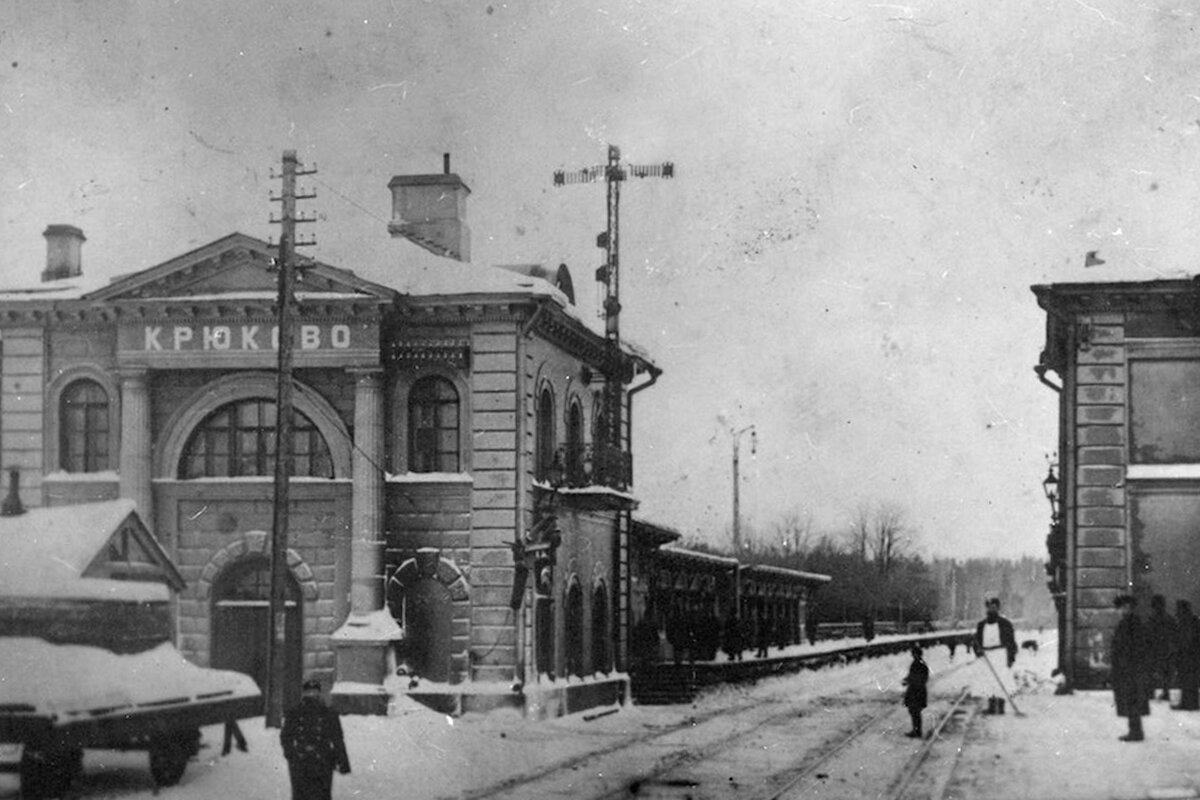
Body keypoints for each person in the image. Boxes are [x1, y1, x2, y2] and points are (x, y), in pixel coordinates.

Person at [281, 679, 351, 800]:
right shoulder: (295, 713)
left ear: (318, 694)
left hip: (318, 761)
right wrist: (291, 754)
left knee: (317, 795)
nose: (311, 696)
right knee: (304, 795)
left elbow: (337, 738)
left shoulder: (328, 713)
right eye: (309, 693)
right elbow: (286, 736)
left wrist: (342, 761)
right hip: (306, 760)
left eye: (314, 693)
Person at [1111, 594, 1150, 742]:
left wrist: (1125, 664)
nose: (1122, 611)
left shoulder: (1131, 623)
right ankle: (1134, 730)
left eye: (1125, 608)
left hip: (1130, 669)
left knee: (1132, 699)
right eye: (1121, 608)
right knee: (1130, 699)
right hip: (1128, 668)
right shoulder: (1129, 622)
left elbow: (1134, 647)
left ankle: (1136, 732)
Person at [973, 597, 1017, 714]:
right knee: (989, 681)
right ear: (986, 608)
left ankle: (1001, 707)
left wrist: (1011, 658)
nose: (992, 609)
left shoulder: (1005, 624)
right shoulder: (981, 625)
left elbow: (1011, 642)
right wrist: (978, 651)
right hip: (987, 655)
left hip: (1001, 655)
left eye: (994, 607)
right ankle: (992, 707)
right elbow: (976, 641)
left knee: (1002, 680)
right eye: (989, 607)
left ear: (998, 608)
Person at [1147, 594, 1178, 701]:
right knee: (1166, 672)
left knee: (1151, 670)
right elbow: (1175, 634)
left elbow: (1148, 634)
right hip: (1167, 649)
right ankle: (1165, 691)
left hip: (1155, 649)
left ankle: (1150, 692)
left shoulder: (1151, 619)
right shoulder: (1170, 619)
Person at [1174, 599, 1200, 710]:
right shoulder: (1193, 621)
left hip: (1188, 656)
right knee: (1189, 680)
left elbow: (1185, 641)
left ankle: (1189, 703)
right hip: (1192, 656)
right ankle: (1190, 702)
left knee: (1187, 680)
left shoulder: (1186, 623)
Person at [902, 644, 930, 738]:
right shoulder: (918, 663)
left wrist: (909, 681)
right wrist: (907, 680)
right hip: (916, 691)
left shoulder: (919, 664)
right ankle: (916, 730)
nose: (912, 655)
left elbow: (920, 678)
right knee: (914, 711)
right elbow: (912, 675)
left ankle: (917, 732)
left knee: (915, 712)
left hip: (917, 691)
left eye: (913, 654)